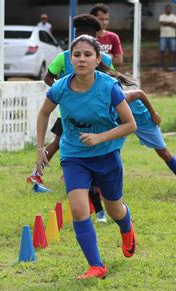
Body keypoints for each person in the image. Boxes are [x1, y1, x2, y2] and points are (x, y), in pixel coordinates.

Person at [36, 35, 138, 279]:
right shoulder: (60, 87)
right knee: (80, 208)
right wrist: (40, 148)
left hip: (106, 154)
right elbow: (43, 115)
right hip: (74, 156)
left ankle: (127, 228)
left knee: (114, 209)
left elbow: (130, 124)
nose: (82, 59)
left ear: (97, 59)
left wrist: (100, 138)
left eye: (87, 55)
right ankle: (96, 265)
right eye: (77, 55)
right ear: (70, 59)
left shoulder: (108, 87)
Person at [27, 14, 114, 223]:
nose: (81, 59)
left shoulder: (104, 61)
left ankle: (39, 174)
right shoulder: (64, 57)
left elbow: (113, 85)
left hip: (99, 119)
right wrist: (61, 93)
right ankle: (40, 173)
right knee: (63, 144)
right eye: (77, 53)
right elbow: (48, 77)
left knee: (63, 144)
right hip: (71, 113)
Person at [124, 90, 176, 195]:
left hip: (144, 121)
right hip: (123, 122)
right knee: (110, 150)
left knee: (163, 153)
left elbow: (140, 93)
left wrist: (153, 113)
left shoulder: (122, 95)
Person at [159, 4, 176, 71]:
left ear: (171, 9)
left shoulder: (174, 16)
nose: (168, 10)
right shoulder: (161, 16)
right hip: (163, 36)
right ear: (165, 9)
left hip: (172, 36)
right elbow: (162, 23)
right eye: (167, 9)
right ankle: (161, 65)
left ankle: (172, 65)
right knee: (162, 51)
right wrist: (171, 23)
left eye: (169, 9)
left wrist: (167, 23)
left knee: (172, 51)